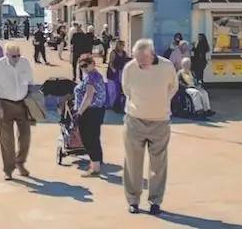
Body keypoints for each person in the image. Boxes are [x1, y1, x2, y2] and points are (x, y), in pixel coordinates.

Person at [121, 38, 178, 216]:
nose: (138, 63)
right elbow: (126, 90)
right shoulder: (130, 68)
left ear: (151, 55)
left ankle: (155, 201)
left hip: (160, 121)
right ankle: (133, 200)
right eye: (136, 59)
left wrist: (160, 103)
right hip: (135, 120)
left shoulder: (167, 66)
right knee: (132, 163)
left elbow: (173, 88)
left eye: (142, 60)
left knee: (158, 165)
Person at [0, 44, 35, 180]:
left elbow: (30, 83)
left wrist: (32, 103)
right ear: (6, 55)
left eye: (19, 55)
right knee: (7, 140)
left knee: (25, 137)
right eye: (14, 56)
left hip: (22, 103)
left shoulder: (24, 62)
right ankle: (8, 169)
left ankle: (20, 162)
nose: (17, 58)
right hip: (4, 104)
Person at [73, 54, 107, 177]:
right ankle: (96, 162)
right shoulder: (96, 75)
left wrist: (79, 112)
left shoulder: (91, 77)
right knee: (94, 137)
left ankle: (95, 168)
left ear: (92, 63)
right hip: (97, 111)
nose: (84, 68)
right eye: (81, 66)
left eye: (86, 65)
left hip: (89, 111)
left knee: (88, 139)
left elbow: (88, 96)